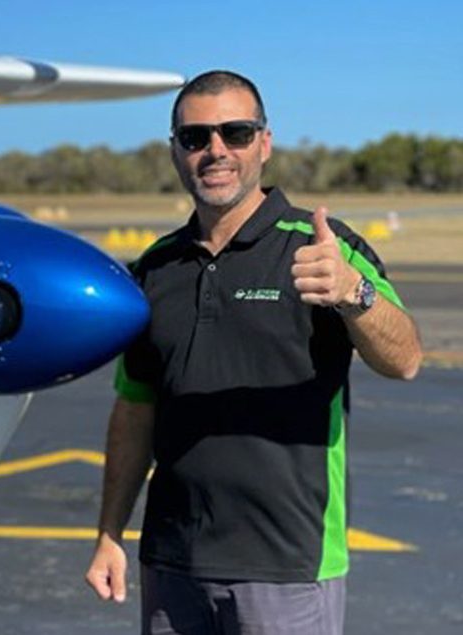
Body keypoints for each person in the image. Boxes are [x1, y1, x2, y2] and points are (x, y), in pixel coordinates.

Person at [84, 70, 422, 635]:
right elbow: (135, 410)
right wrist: (108, 534)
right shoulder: (155, 269)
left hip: (287, 565)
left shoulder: (324, 247)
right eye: (195, 138)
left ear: (264, 143)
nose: (215, 151)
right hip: (172, 561)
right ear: (175, 151)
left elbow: (406, 358)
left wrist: (352, 294)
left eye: (235, 133)